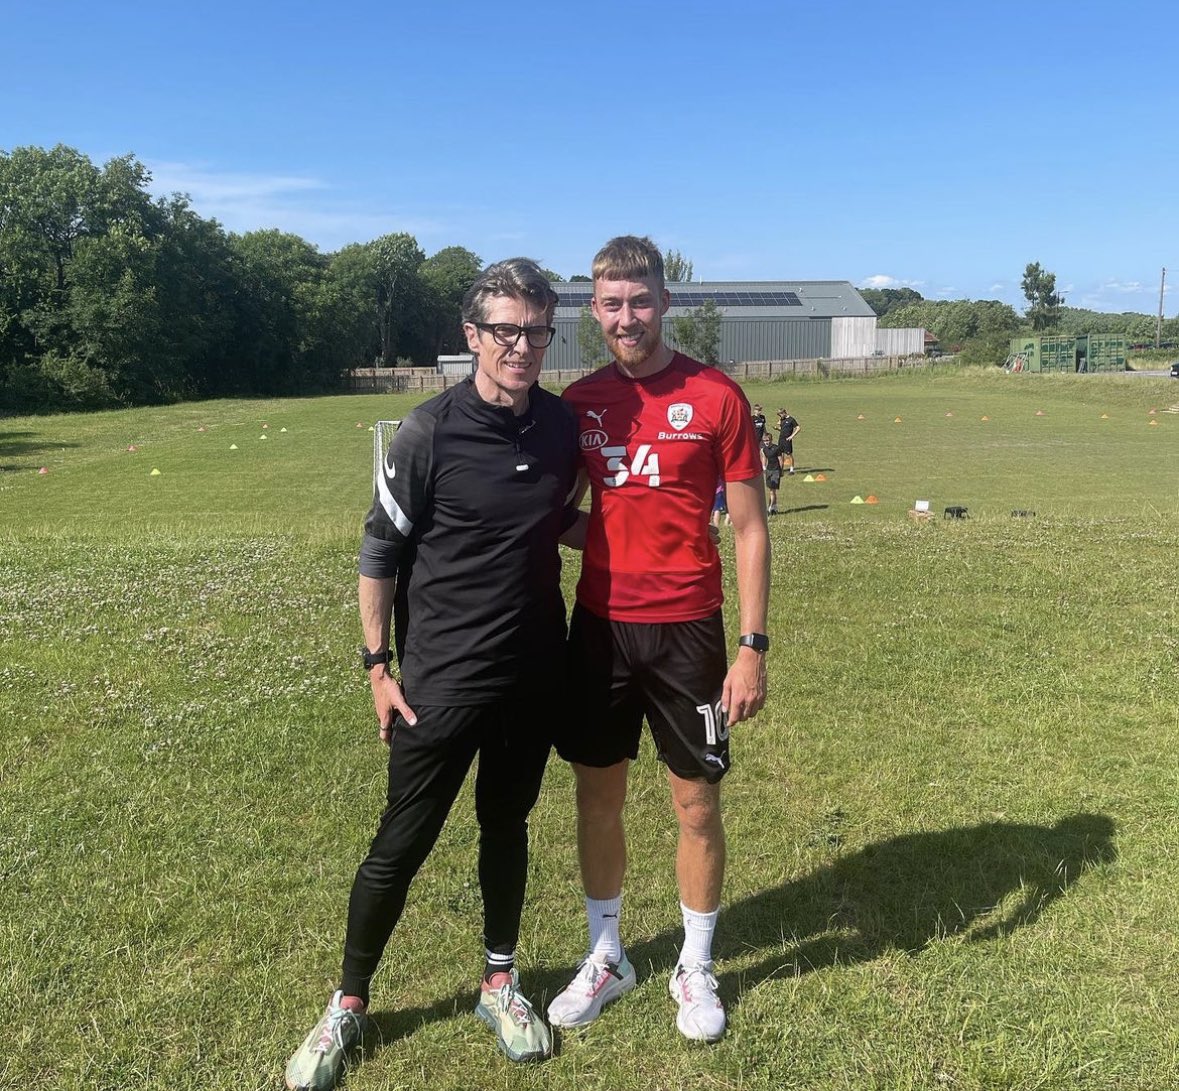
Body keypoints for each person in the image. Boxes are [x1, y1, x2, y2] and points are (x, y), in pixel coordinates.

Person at [285, 258, 580, 1090]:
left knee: (507, 826)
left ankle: (498, 981)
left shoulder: (557, 427)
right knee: (399, 846)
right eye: (505, 330)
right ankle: (348, 1001)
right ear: (472, 335)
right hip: (439, 684)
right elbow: (379, 552)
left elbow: (557, 520)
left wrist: (654, 533)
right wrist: (377, 666)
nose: (521, 346)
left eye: (536, 330)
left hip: (532, 674)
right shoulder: (428, 431)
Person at [550, 236, 771, 1043]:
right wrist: (599, 534)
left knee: (696, 802)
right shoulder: (578, 403)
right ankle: (608, 955)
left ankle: (695, 964)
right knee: (595, 796)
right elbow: (562, 512)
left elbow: (748, 529)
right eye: (610, 303)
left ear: (664, 301)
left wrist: (751, 645)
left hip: (688, 636)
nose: (626, 317)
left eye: (639, 300)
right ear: (594, 310)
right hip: (600, 630)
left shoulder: (715, 396)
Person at [761, 430, 785, 514]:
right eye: (764, 441)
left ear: (771, 440)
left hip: (775, 471)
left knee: (772, 491)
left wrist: (781, 470)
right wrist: (764, 467)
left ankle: (770, 508)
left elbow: (780, 459)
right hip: (768, 470)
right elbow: (764, 458)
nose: (766, 442)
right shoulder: (764, 449)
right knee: (771, 490)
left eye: (767, 440)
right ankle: (774, 508)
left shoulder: (776, 448)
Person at [775, 408, 800, 475]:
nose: (780, 416)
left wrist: (792, 436)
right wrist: (777, 428)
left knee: (789, 455)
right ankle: (781, 470)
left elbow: (798, 428)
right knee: (780, 455)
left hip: (787, 440)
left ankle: (791, 470)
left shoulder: (791, 419)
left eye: (780, 415)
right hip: (781, 439)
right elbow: (782, 429)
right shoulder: (782, 419)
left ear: (784, 413)